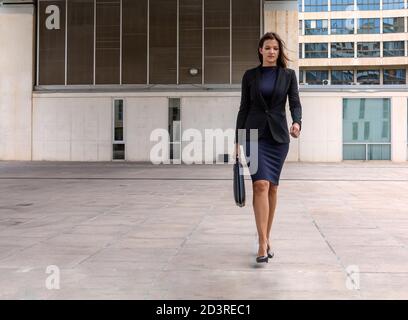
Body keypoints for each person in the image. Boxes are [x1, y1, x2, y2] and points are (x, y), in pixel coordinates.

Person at [234, 32, 302, 264]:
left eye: (275, 48)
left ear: (278, 52)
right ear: (260, 50)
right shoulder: (250, 76)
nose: (272, 51)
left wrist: (296, 122)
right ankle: (262, 242)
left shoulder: (288, 75)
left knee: (272, 187)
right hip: (253, 136)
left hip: (278, 138)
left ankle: (266, 236)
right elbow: (244, 108)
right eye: (268, 48)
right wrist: (237, 140)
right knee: (260, 184)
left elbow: (295, 102)